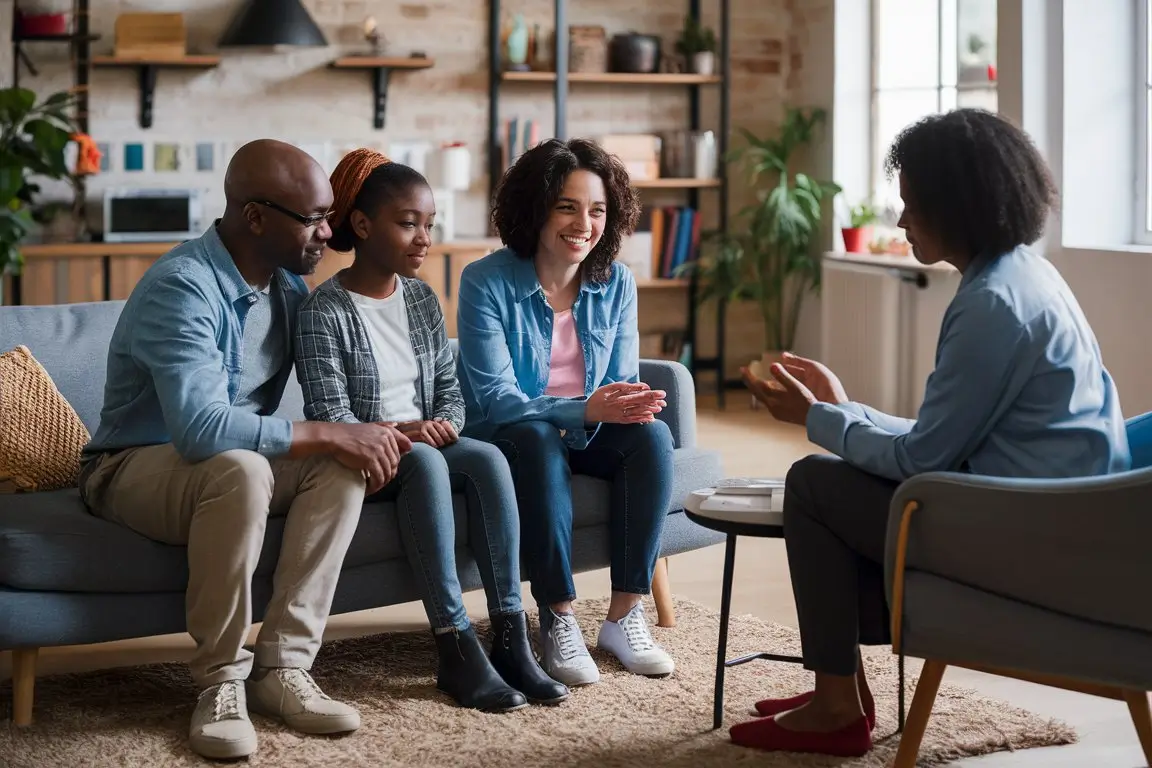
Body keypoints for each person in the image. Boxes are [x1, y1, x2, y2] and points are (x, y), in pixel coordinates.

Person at [731, 108, 1132, 757]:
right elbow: (953, 437)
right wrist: (847, 411)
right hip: (1051, 513)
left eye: (912, 204)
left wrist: (817, 419)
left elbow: (924, 455)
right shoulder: (1025, 275)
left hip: (1025, 533)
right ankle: (840, 694)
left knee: (813, 484)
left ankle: (837, 705)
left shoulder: (991, 306)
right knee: (835, 479)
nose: (899, 219)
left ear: (959, 206)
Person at [79, 139, 414, 761]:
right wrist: (327, 432)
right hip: (128, 469)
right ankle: (219, 683)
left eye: (328, 215)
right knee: (240, 469)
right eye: (312, 218)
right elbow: (201, 429)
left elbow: (334, 399)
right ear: (255, 217)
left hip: (229, 470)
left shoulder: (287, 290)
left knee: (338, 466)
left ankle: (282, 670)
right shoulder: (182, 288)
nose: (327, 231)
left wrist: (386, 427)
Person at [294, 148, 569, 713]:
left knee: (488, 458)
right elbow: (331, 415)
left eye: (429, 225)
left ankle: (511, 638)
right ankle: (454, 646)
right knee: (422, 460)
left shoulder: (420, 298)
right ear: (364, 226)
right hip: (369, 458)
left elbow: (450, 385)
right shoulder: (324, 311)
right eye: (408, 223)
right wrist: (406, 432)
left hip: (427, 442)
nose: (423, 238)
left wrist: (443, 424)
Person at [454, 137, 676, 687]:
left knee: (651, 438)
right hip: (510, 435)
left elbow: (622, 380)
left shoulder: (617, 282)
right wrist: (581, 409)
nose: (584, 223)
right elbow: (498, 399)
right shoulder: (485, 281)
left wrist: (630, 405)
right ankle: (558, 617)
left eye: (597, 210)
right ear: (536, 209)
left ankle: (624, 616)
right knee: (537, 437)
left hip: (586, 427)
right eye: (567, 206)